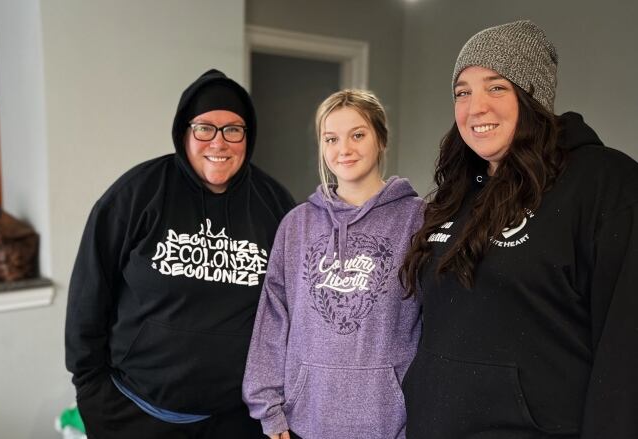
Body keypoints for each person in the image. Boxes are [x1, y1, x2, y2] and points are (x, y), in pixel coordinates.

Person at [400, 20, 638, 438]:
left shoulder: (603, 183)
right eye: (462, 92)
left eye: (496, 87)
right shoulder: (456, 192)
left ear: (532, 95)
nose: (475, 108)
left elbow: (625, 345)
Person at [65, 69, 296, 438]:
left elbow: (292, 313)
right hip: (135, 414)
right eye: (205, 128)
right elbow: (88, 298)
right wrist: (91, 391)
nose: (219, 143)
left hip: (238, 422)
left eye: (233, 129)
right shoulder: (136, 195)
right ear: (184, 132)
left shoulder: (276, 205)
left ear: (247, 137)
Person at [242, 89, 424, 439]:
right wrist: (269, 410)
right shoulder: (297, 225)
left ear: (381, 139)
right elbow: (274, 317)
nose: (345, 149)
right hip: (305, 421)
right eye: (331, 138)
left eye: (358, 134)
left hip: (391, 425)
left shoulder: (417, 220)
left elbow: (434, 321)